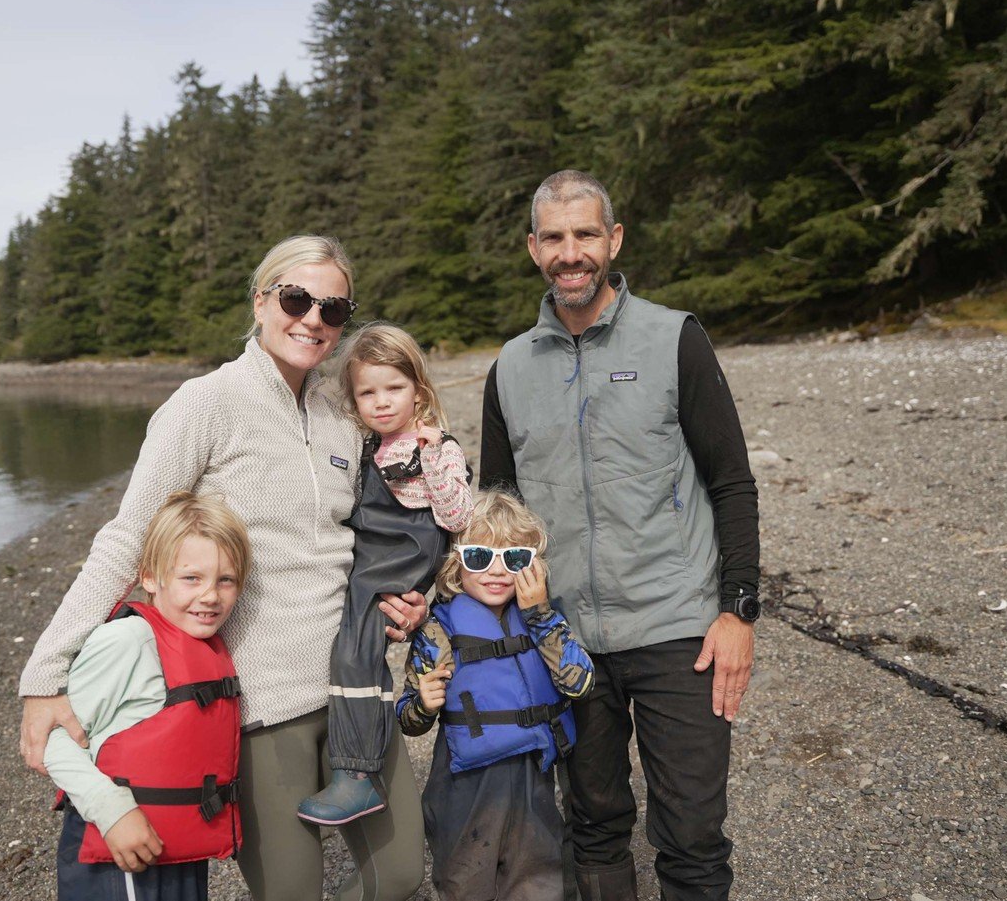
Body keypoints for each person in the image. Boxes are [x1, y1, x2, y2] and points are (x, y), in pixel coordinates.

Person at [18, 235, 429, 901]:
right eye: (296, 298)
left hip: (356, 688)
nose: (313, 319)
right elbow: (129, 536)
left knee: (401, 871)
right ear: (262, 300)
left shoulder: (339, 414)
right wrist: (43, 673)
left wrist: (406, 599)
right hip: (261, 705)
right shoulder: (204, 403)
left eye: (333, 308)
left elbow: (366, 539)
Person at [479, 170, 761, 901]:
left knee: (691, 830)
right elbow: (498, 510)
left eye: (583, 235)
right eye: (553, 237)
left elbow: (731, 481)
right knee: (594, 822)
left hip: (677, 627)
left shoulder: (675, 338)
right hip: (564, 635)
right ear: (532, 247)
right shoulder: (509, 367)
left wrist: (738, 611)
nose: (569, 253)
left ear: (613, 239)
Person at [297, 323, 472, 826]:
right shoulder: (367, 444)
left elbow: (458, 518)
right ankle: (349, 757)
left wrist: (435, 451)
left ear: (418, 388)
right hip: (370, 554)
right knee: (350, 642)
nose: (381, 401)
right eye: (366, 392)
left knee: (356, 647)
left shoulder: (434, 445)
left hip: (403, 557)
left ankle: (356, 772)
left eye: (393, 388)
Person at [47, 491, 248, 901]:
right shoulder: (128, 641)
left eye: (225, 580)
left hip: (178, 849)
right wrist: (113, 812)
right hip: (119, 848)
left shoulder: (204, 642)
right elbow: (55, 738)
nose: (210, 595)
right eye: (191, 578)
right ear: (151, 577)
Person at [396, 490, 594, 901]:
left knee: (539, 878)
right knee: (464, 880)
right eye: (480, 557)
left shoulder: (543, 619)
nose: (497, 571)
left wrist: (539, 613)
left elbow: (580, 683)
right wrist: (423, 705)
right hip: (466, 781)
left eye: (514, 558)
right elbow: (407, 719)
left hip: (533, 773)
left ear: (532, 565)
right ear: (456, 564)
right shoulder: (438, 631)